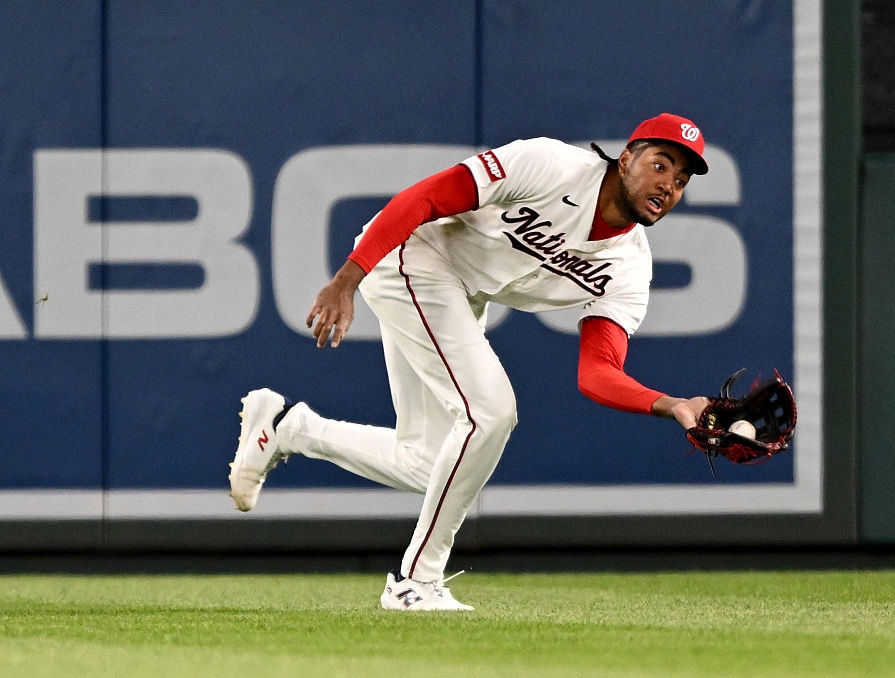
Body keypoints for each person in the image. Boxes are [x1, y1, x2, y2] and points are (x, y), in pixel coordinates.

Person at [229, 113, 712, 611]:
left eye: (681, 180)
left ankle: (289, 429)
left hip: (461, 295)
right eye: (661, 164)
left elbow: (597, 374)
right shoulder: (551, 165)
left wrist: (669, 404)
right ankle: (416, 581)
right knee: (491, 411)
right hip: (408, 258)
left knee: (430, 462)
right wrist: (347, 279)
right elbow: (428, 196)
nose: (668, 185)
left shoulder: (628, 267)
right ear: (627, 157)